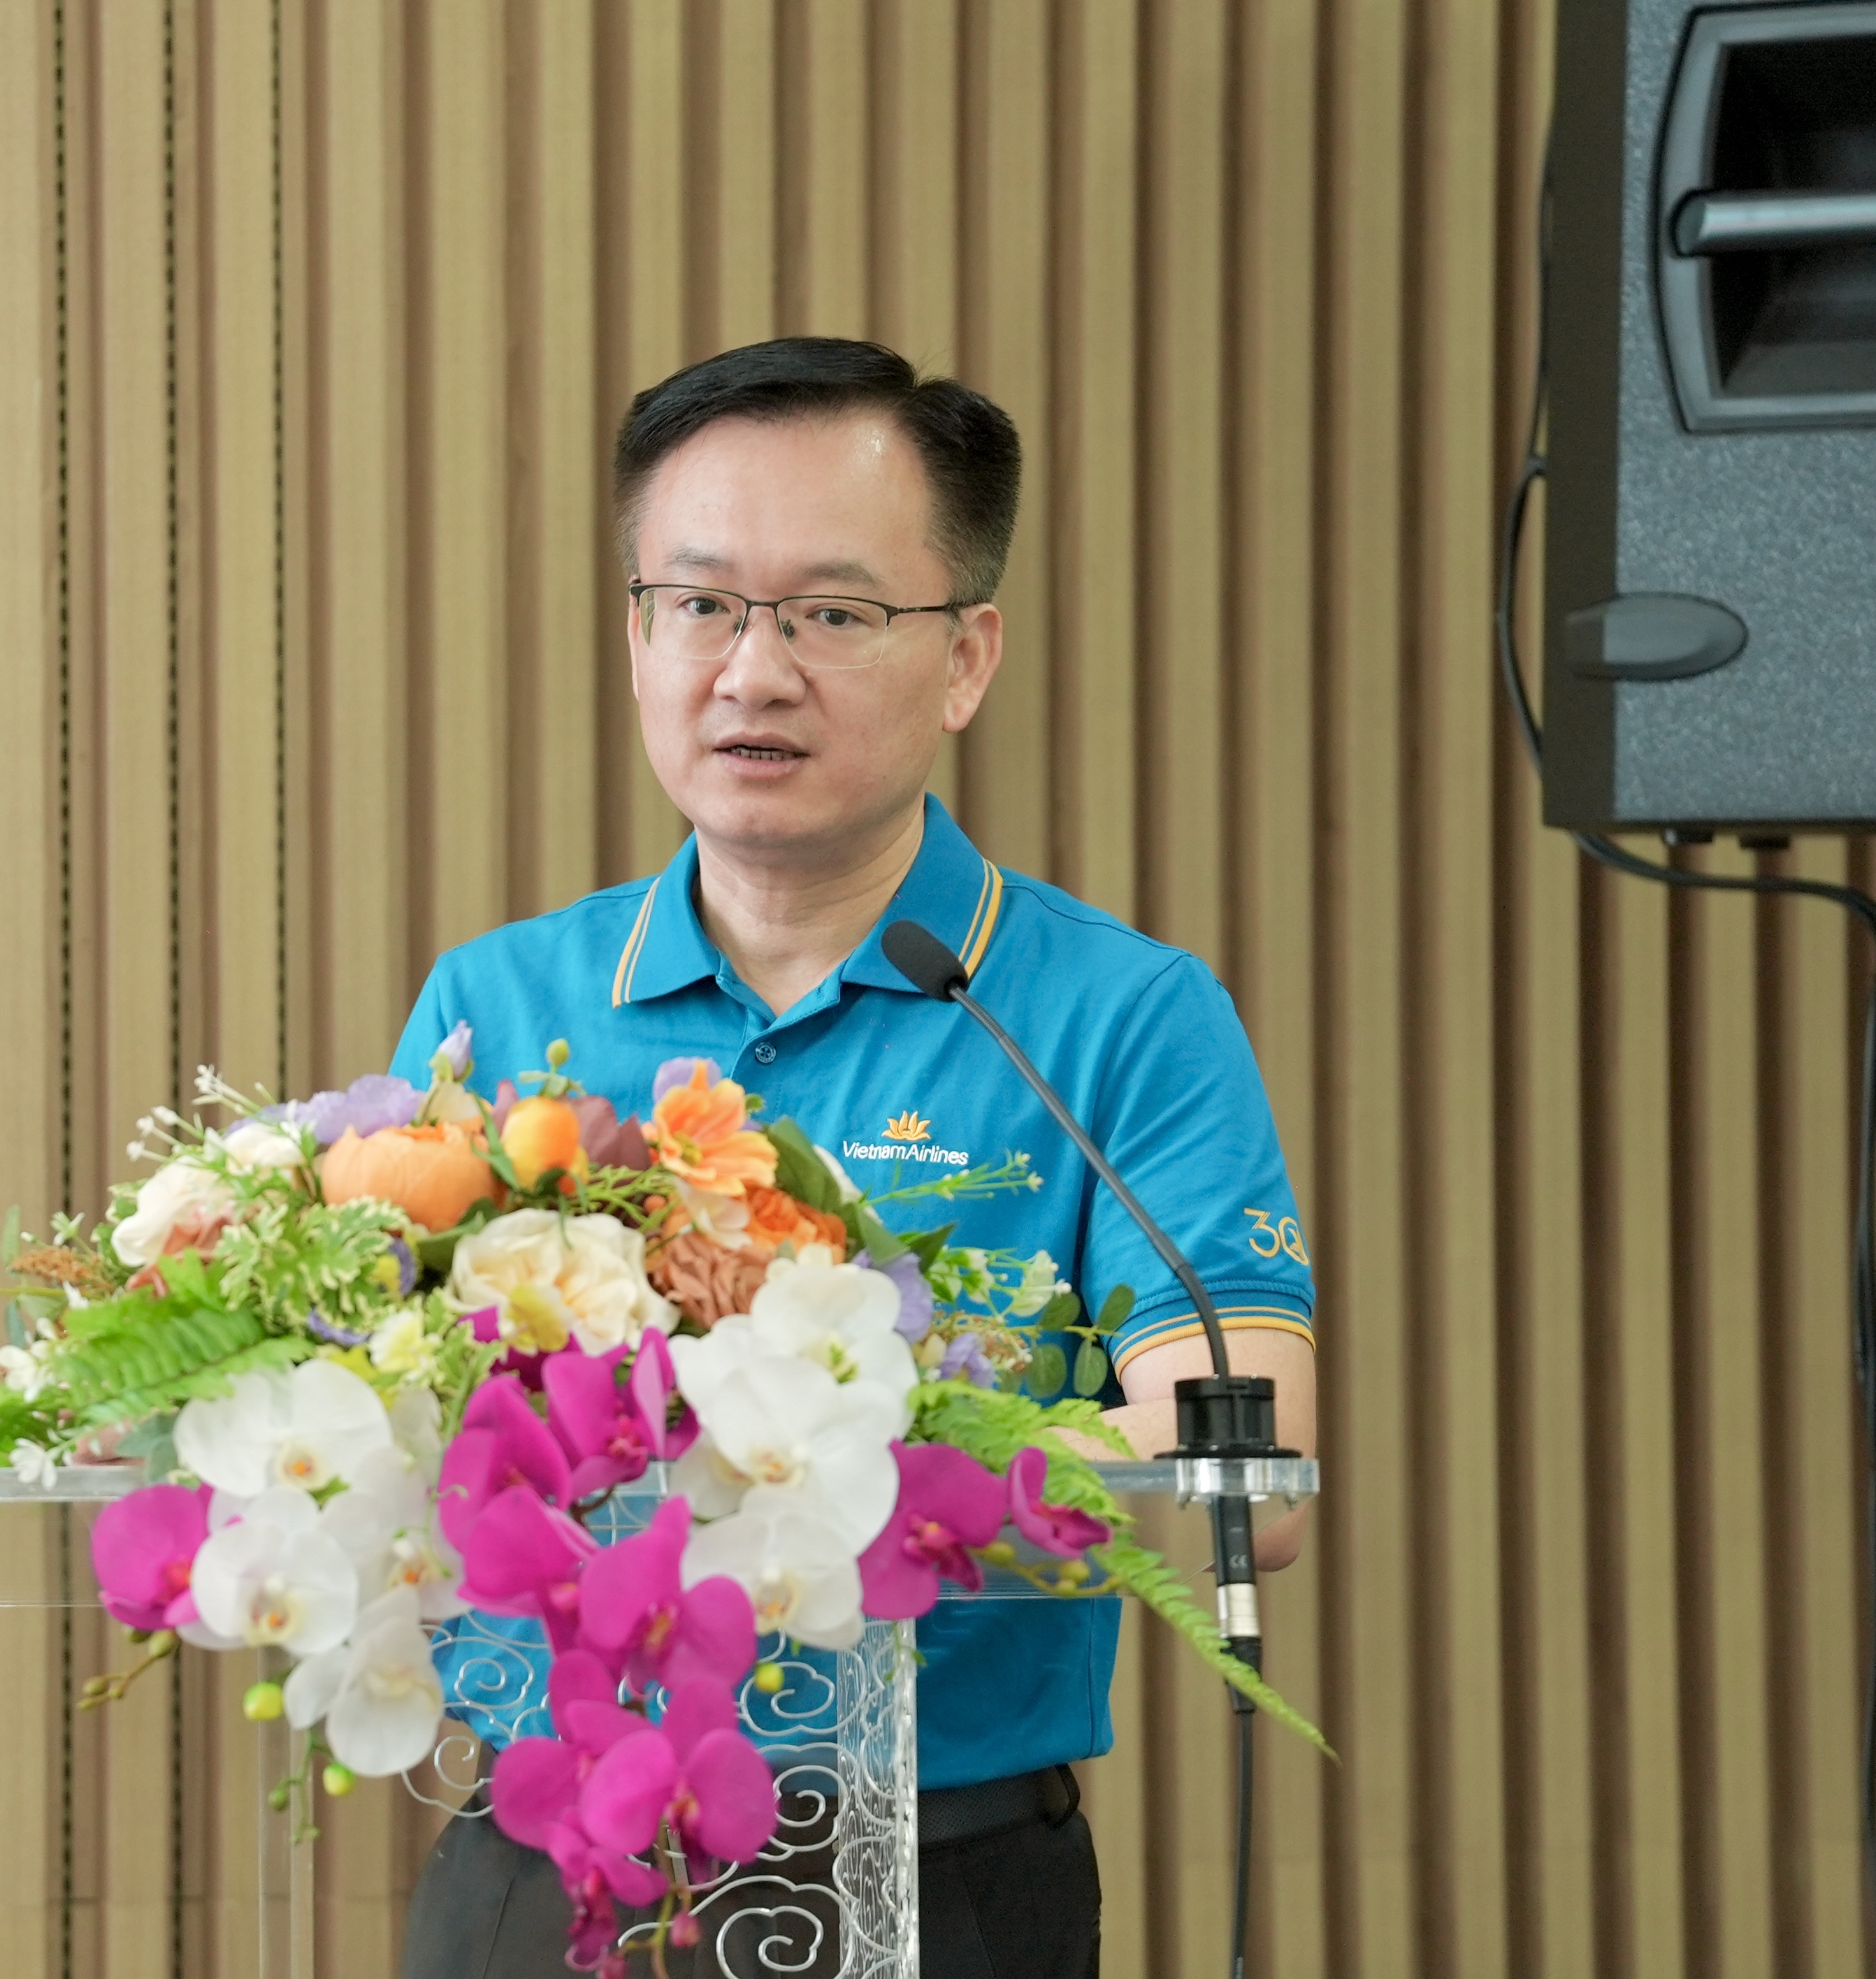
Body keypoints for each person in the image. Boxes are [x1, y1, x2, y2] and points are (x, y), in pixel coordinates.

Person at [388, 338, 1319, 1978]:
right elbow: (388, 1418)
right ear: (635, 635)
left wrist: (804, 1487)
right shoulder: (499, 1005)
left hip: (943, 1874)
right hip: (543, 1875)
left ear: (963, 658)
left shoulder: (1109, 1017)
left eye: (829, 614)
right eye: (699, 604)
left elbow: (1239, 1460)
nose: (751, 672)